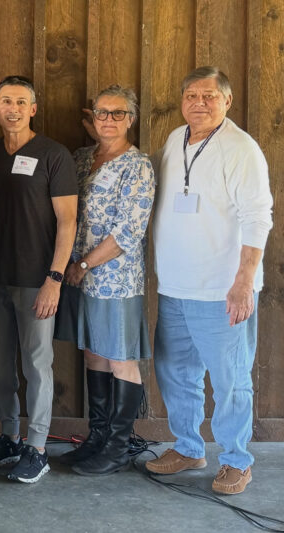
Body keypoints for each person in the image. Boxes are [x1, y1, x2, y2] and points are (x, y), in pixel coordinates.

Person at [146, 67, 273, 495]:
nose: (199, 103)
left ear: (227, 101)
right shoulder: (174, 139)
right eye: (192, 95)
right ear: (182, 100)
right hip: (175, 285)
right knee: (176, 372)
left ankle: (236, 460)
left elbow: (258, 217)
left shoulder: (241, 149)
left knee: (230, 379)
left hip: (222, 289)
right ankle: (188, 447)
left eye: (209, 96)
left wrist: (243, 282)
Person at [0, 75, 77, 484]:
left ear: (32, 109)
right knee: (1, 366)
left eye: (21, 102)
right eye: (6, 101)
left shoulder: (53, 155)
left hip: (37, 281)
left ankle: (37, 448)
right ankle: (9, 436)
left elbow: (67, 222)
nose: (13, 109)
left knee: (37, 364)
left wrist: (54, 278)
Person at [57, 86, 154, 476]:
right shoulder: (82, 159)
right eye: (102, 113)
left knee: (120, 357)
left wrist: (84, 264)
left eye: (118, 113)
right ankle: (97, 437)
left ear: (131, 118)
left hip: (115, 279)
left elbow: (129, 231)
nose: (109, 120)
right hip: (80, 277)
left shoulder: (138, 165)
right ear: (92, 116)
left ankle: (118, 446)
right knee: (93, 352)